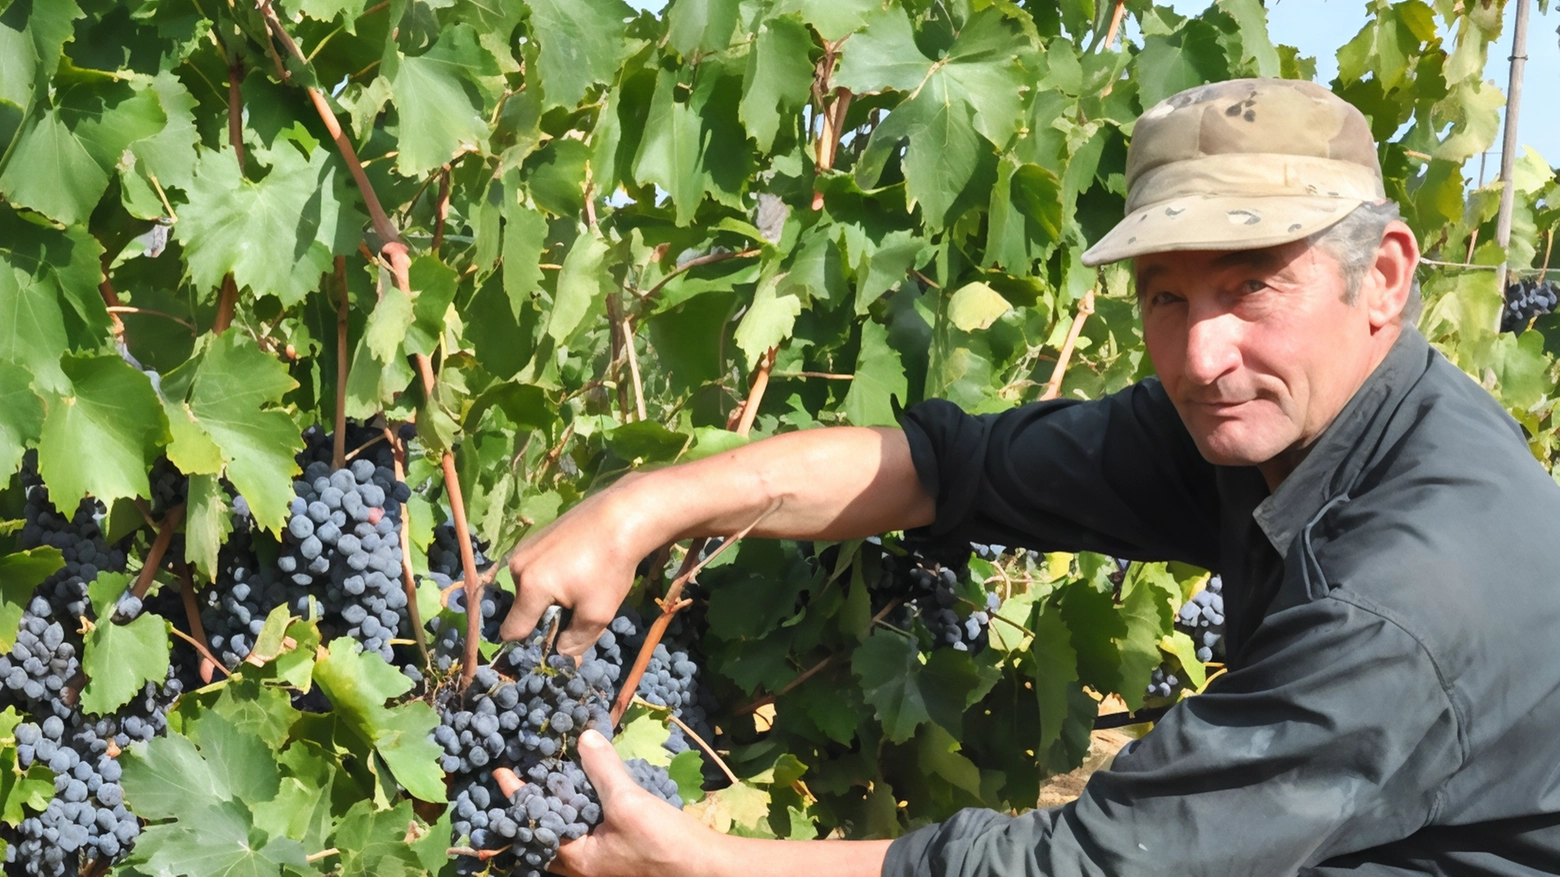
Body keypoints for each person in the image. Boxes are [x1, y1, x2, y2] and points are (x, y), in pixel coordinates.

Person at [497, 79, 1560, 876]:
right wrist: (639, 506)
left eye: (1253, 286)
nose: (1200, 355)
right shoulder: (1283, 417)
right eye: (1165, 297)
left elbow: (1098, 864)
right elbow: (951, 468)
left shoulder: (1405, 597)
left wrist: (703, 860)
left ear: (1382, 278)